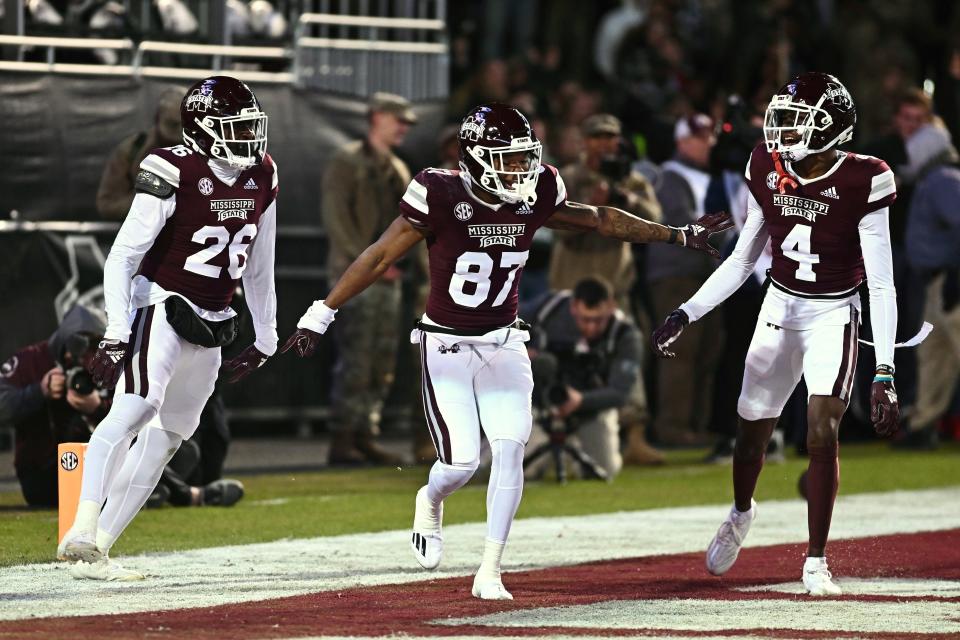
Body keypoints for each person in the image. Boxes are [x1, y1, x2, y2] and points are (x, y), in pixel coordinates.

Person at [283, 103, 731, 600]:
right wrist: (321, 312)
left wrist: (678, 233)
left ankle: (490, 569)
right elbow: (380, 254)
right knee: (459, 466)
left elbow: (600, 219)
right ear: (474, 158)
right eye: (508, 159)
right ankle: (430, 500)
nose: (519, 170)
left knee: (511, 449)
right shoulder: (439, 192)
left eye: (524, 158)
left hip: (505, 341)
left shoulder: (536, 192)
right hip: (447, 343)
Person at [652, 72, 900, 596]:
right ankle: (742, 512)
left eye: (795, 122)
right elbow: (743, 258)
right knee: (749, 438)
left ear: (831, 127)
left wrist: (884, 369)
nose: (782, 133)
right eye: (780, 121)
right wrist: (688, 311)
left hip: (834, 311)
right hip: (779, 306)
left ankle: (815, 560)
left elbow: (881, 283)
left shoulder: (865, 178)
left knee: (822, 429)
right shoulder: (766, 166)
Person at [57, 76, 279, 581]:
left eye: (250, 127)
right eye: (235, 128)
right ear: (203, 130)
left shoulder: (262, 173)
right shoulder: (171, 166)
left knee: (170, 436)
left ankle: (99, 552)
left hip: (216, 317)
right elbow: (123, 256)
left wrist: (266, 337)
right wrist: (116, 330)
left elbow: (261, 265)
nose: (248, 138)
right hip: (161, 303)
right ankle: (83, 526)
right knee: (135, 408)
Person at [546, 113, 663, 466]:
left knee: (626, 360)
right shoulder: (566, 178)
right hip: (570, 288)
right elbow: (554, 227)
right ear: (584, 141)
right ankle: (561, 436)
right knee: (565, 360)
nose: (605, 143)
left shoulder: (631, 180)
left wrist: (625, 203)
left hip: (615, 285)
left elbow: (656, 220)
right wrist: (592, 214)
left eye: (610, 136)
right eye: (597, 136)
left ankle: (635, 437)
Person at [321, 92, 418, 466]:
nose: (403, 128)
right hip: (356, 277)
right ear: (377, 117)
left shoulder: (397, 168)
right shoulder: (345, 161)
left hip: (387, 277)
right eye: (399, 120)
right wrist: (370, 263)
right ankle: (344, 435)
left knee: (381, 358)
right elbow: (336, 220)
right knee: (357, 358)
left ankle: (364, 432)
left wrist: (394, 264)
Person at [646, 113, 725, 447]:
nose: (708, 142)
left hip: (705, 274)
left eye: (710, 136)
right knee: (680, 350)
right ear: (682, 141)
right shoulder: (671, 176)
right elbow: (681, 225)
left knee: (708, 349)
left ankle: (696, 424)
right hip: (676, 273)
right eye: (699, 137)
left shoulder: (710, 176)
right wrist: (732, 233)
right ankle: (673, 427)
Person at [526, 277, 656, 478]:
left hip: (591, 410)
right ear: (573, 307)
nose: (592, 327)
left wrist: (581, 400)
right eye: (585, 319)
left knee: (605, 469)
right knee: (515, 469)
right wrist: (520, 348)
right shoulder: (549, 309)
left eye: (599, 320)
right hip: (541, 406)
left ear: (611, 307)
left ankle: (573, 449)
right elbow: (504, 319)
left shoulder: (625, 335)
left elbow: (620, 393)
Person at [0, 305, 109, 507]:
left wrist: (98, 407)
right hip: (42, 470)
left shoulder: (105, 362)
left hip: (97, 462)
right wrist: (39, 391)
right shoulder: (30, 360)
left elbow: (138, 410)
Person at [902, 123, 960, 448]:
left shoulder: (942, 181)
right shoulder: (939, 179)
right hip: (937, 282)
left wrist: (955, 272)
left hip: (950, 279)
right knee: (934, 354)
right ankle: (923, 425)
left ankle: (924, 424)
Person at [96, 86, 186, 221]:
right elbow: (107, 205)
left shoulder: (208, 152)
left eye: (187, 125)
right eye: (172, 124)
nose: (180, 132)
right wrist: (147, 197)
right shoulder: (132, 150)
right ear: (157, 119)